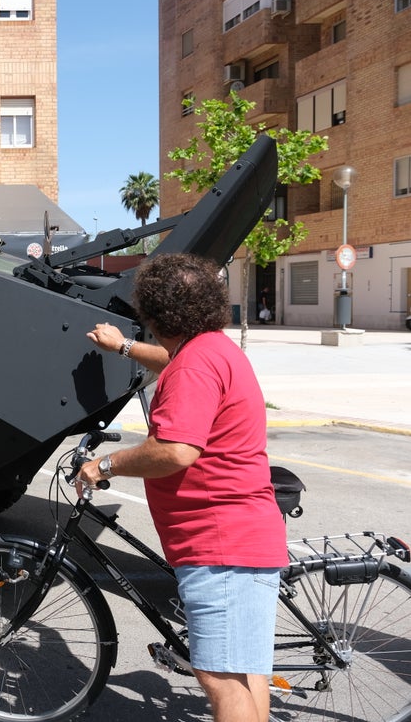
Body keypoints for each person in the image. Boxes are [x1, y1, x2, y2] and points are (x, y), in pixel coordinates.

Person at [79, 253, 287, 722]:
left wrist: (104, 465)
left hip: (219, 544)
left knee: (221, 679)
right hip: (246, 535)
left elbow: (175, 451)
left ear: (154, 314)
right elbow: (173, 360)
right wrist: (123, 347)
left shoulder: (194, 366)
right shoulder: (213, 348)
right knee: (244, 672)